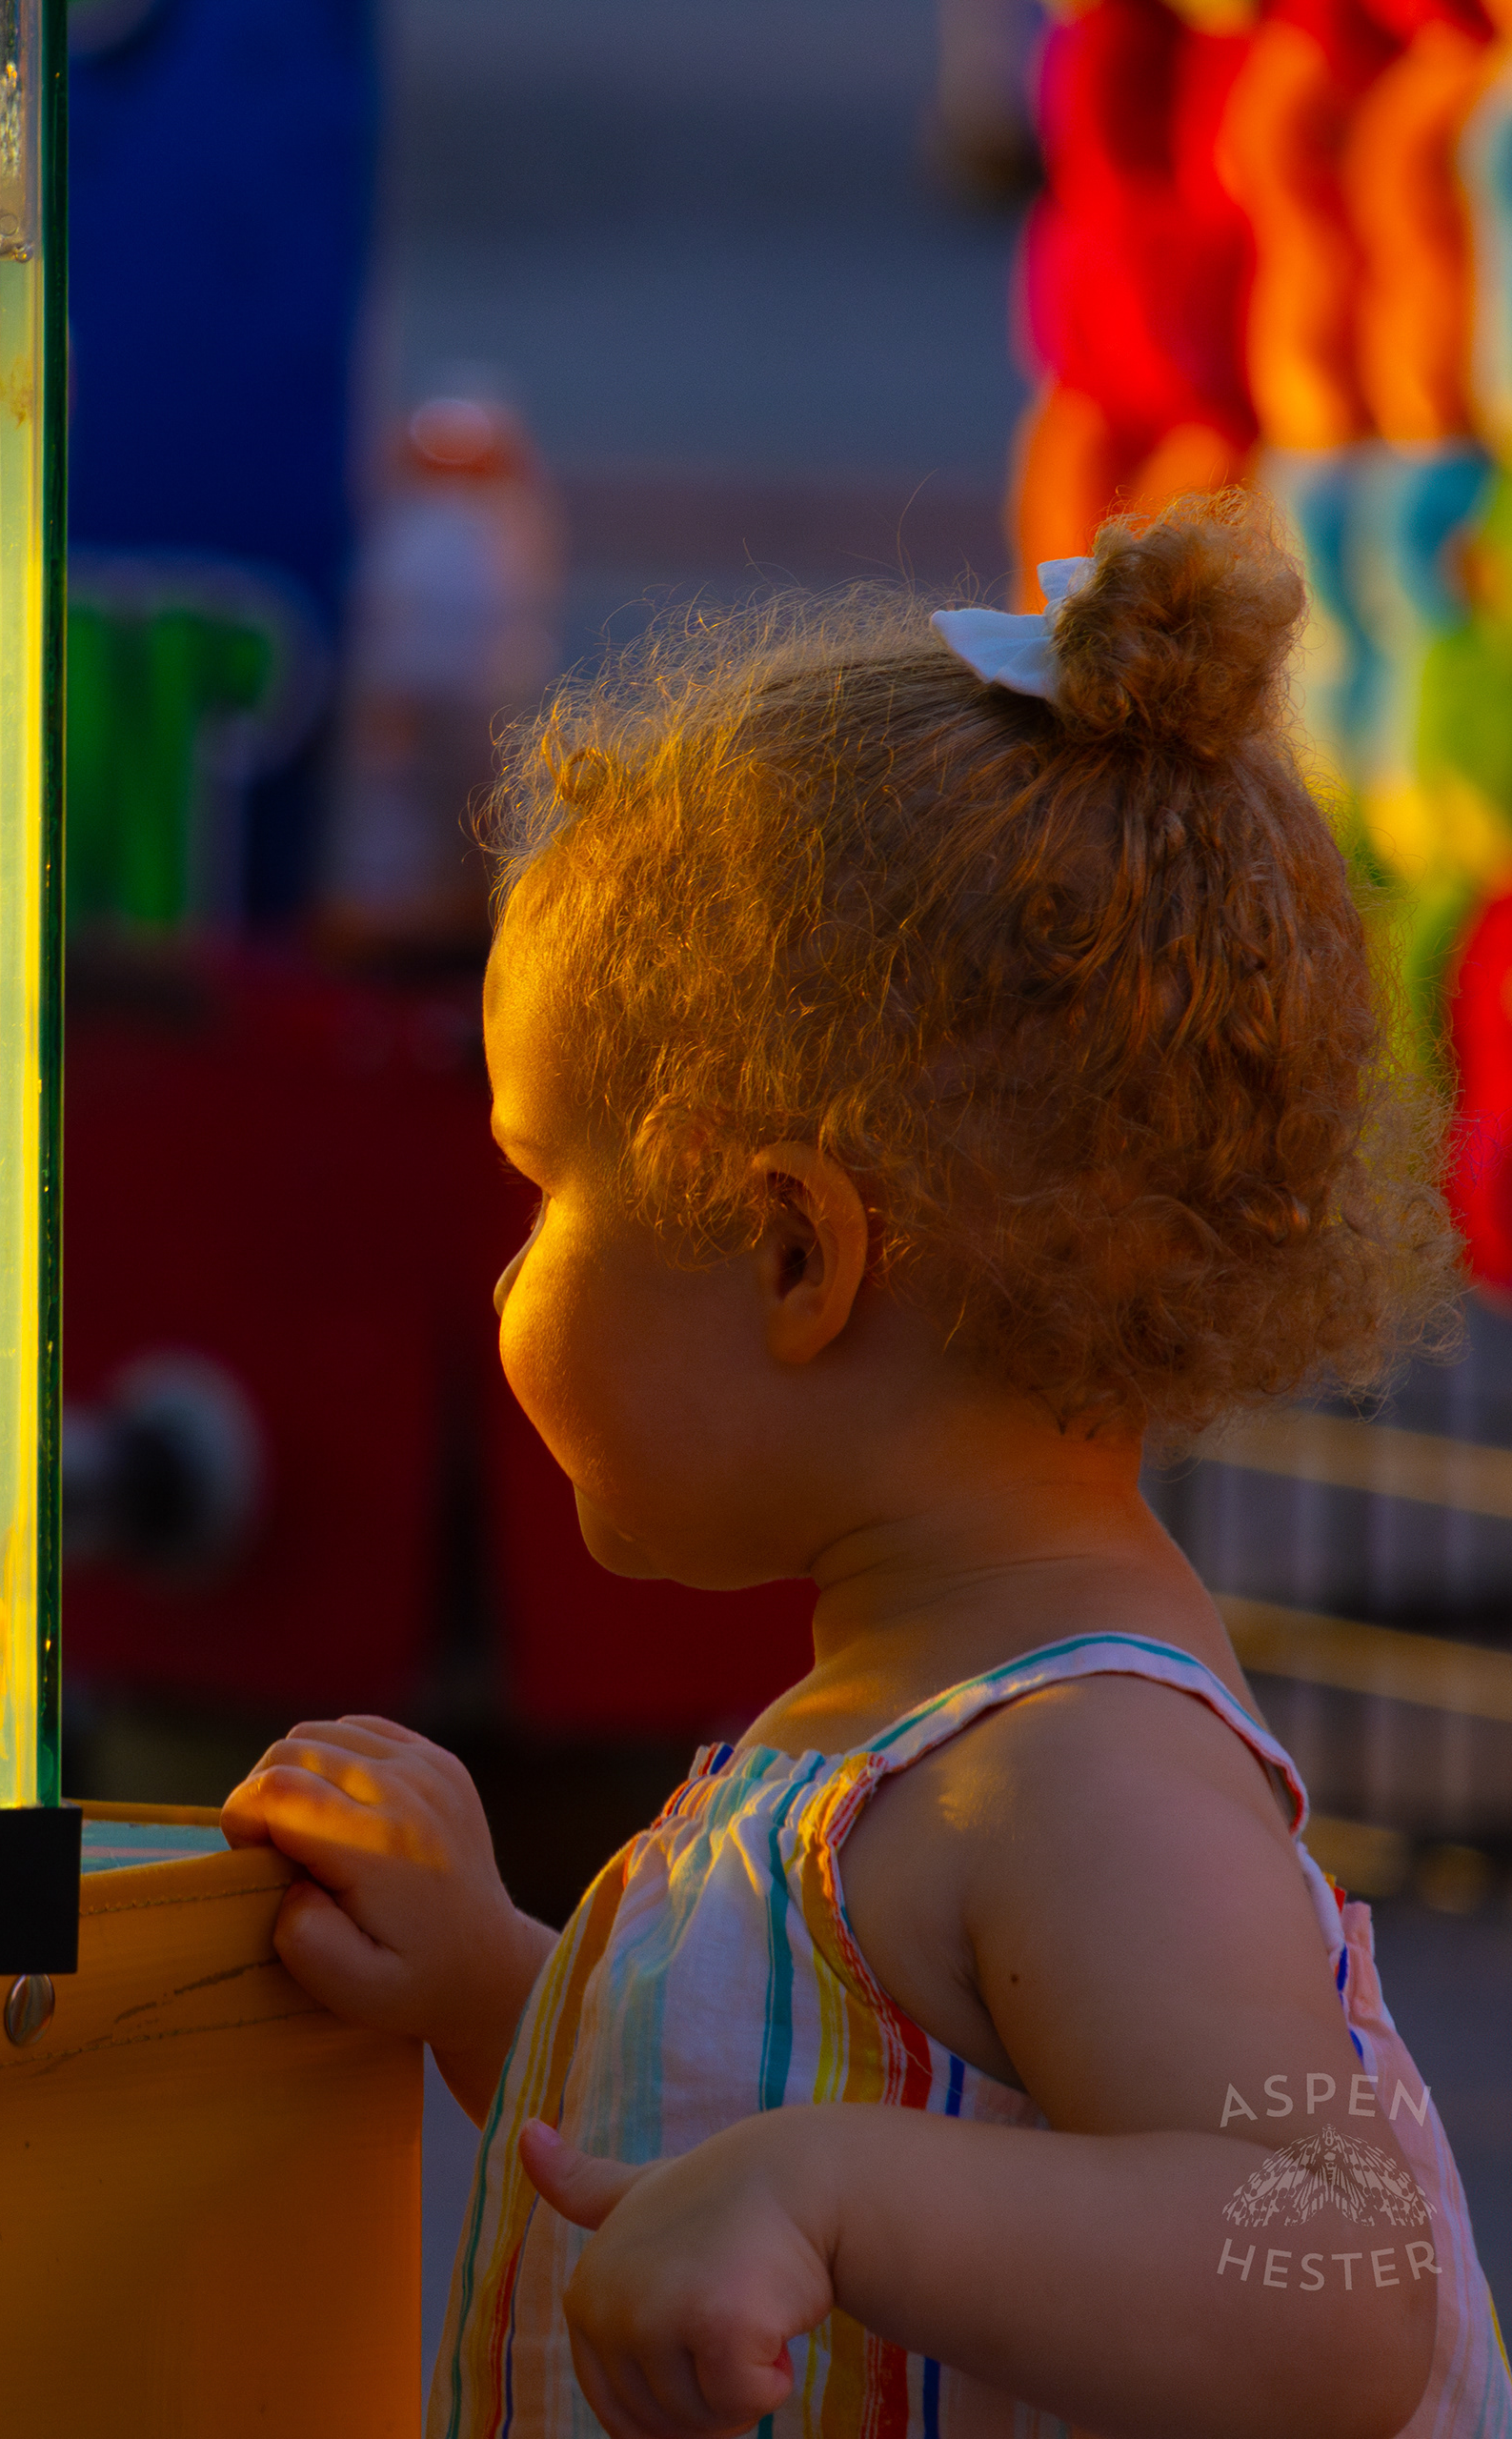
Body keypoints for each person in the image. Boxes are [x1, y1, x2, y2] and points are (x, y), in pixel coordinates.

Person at [225, 493, 1512, 2438]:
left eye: (541, 1187)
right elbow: (733, 2112)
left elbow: (1335, 2284)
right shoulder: (896, 1734)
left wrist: (831, 2195)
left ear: (793, 1253)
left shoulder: (1079, 1774)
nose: (504, 1274)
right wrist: (496, 1979)